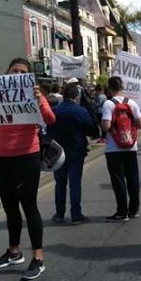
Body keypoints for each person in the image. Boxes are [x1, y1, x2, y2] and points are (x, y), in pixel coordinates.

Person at [0, 58, 56, 281]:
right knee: (9, 207)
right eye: (14, 70)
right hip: (0, 158)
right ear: (6, 73)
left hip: (27, 157)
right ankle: (14, 251)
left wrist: (38, 100)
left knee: (29, 206)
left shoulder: (35, 96)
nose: (17, 74)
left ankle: (38, 258)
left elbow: (50, 119)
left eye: (22, 72)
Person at [48, 84, 94, 225]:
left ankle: (59, 214)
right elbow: (91, 130)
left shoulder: (54, 111)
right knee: (75, 183)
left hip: (57, 153)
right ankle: (76, 214)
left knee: (60, 184)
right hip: (76, 150)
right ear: (76, 96)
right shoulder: (81, 111)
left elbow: (48, 130)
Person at [102, 76, 141, 222]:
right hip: (131, 147)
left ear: (110, 88)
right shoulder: (131, 103)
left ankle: (122, 211)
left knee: (118, 180)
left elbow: (106, 126)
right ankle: (134, 209)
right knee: (133, 178)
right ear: (122, 87)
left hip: (114, 148)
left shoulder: (108, 104)